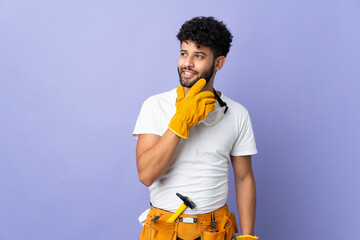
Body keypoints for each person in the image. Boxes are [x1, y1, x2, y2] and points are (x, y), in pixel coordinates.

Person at [133, 16, 259, 240]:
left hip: (215, 230)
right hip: (164, 229)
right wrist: (181, 121)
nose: (187, 63)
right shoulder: (156, 105)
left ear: (218, 63)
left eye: (198, 55)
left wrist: (247, 236)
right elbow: (146, 175)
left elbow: (244, 178)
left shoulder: (237, 113)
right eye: (184, 53)